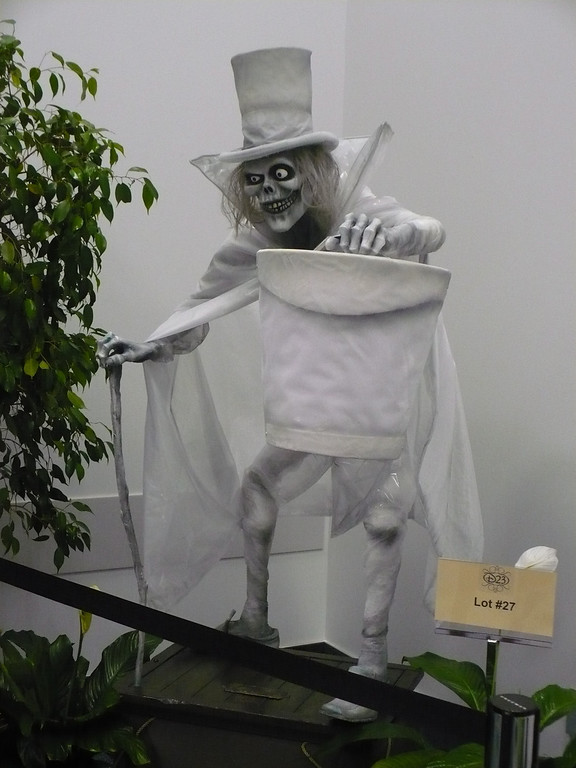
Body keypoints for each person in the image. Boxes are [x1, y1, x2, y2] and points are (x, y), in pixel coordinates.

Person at [98, 48, 483, 722]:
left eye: (282, 174)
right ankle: (256, 620)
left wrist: (392, 235)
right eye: (256, 181)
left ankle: (370, 661)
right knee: (257, 487)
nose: (271, 192)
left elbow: (431, 231)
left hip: (378, 392)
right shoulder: (252, 246)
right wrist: (153, 344)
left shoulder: (356, 206)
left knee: (385, 517)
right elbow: (200, 310)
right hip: (316, 398)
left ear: (309, 172)